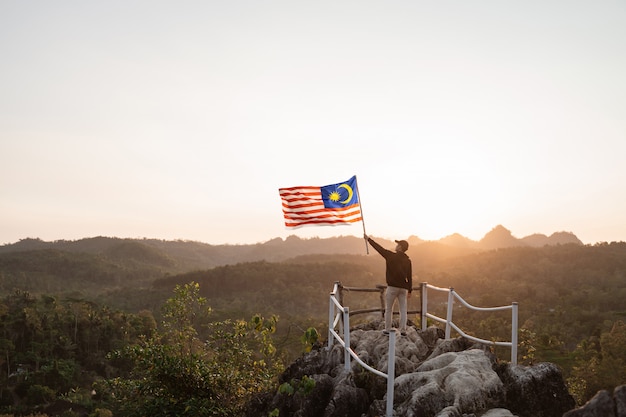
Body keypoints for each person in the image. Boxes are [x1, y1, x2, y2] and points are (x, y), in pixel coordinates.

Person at [364, 234, 412, 336]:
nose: (396, 245)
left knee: (389, 309)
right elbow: (410, 276)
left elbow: (379, 248)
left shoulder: (390, 256)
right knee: (403, 310)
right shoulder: (408, 261)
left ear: (400, 247)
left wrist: (368, 239)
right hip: (404, 288)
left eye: (398, 244)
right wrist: (410, 290)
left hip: (392, 287)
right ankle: (403, 330)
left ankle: (387, 329)